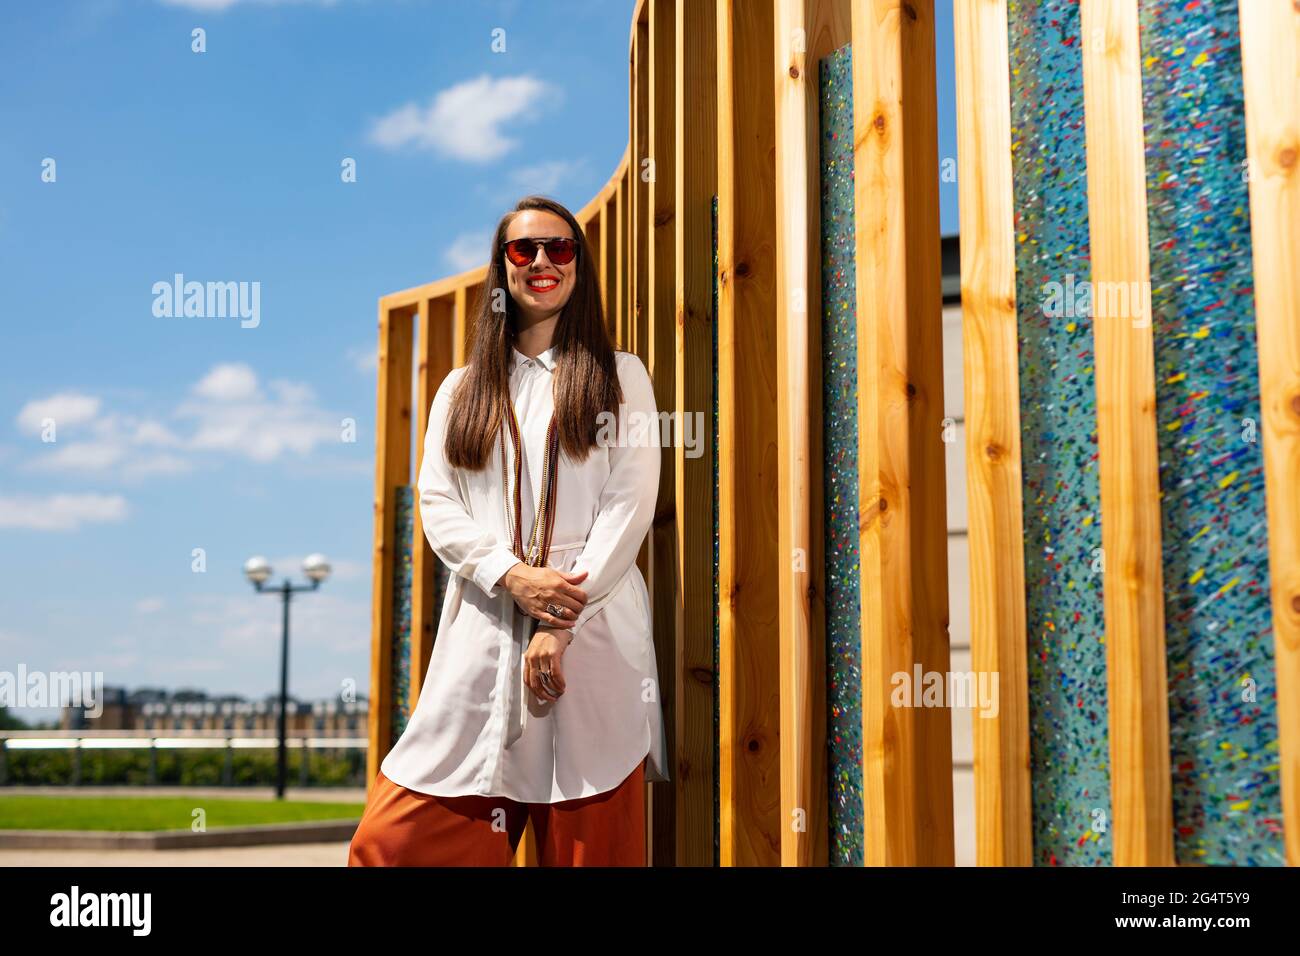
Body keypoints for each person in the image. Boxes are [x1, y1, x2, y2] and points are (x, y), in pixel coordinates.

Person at [348, 195, 669, 867]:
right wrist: (512, 575)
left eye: (560, 248)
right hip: (483, 640)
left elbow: (628, 506)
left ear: (579, 264)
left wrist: (557, 622)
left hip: (593, 648)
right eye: (525, 250)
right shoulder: (461, 391)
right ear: (503, 269)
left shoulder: (622, 376)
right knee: (389, 845)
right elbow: (438, 504)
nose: (544, 261)